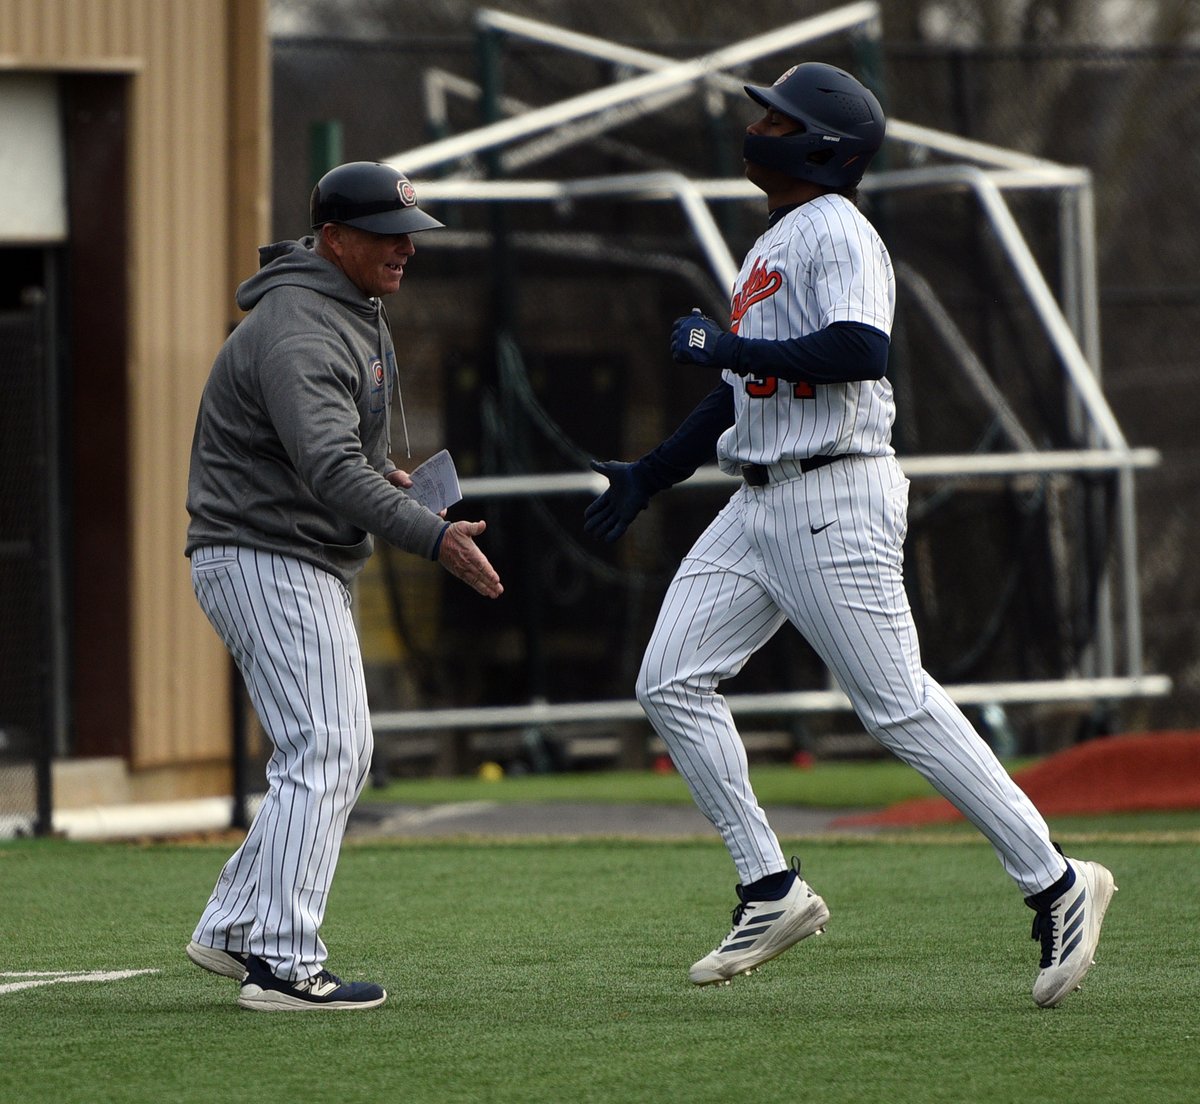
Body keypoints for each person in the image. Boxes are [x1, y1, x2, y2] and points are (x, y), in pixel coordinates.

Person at [584, 64, 1114, 1008]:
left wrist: (731, 345)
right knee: (668, 679)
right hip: (760, 502)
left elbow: (859, 351)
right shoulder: (776, 240)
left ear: (822, 146)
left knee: (897, 706)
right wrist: (653, 472)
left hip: (834, 490)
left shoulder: (838, 230)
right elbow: (741, 393)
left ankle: (1057, 880)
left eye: (776, 118)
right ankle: (770, 887)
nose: (757, 127)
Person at [184, 161, 503, 1012]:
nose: (406, 249)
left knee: (330, 747)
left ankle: (235, 924)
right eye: (386, 235)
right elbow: (328, 470)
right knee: (326, 747)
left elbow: (333, 460)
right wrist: (433, 536)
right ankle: (283, 964)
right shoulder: (301, 328)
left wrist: (387, 484)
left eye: (411, 235)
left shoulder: (343, 308)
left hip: (280, 549)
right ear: (334, 239)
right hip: (264, 550)